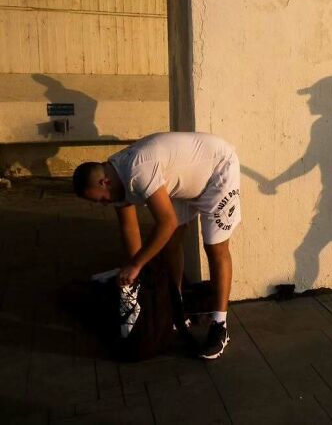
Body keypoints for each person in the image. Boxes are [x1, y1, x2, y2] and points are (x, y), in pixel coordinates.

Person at [72, 132, 241, 358]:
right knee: (171, 244)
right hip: (183, 181)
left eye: (100, 199)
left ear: (104, 182)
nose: (103, 204)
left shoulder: (137, 170)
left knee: (215, 247)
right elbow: (129, 229)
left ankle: (220, 326)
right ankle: (176, 306)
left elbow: (167, 222)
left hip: (217, 169)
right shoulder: (115, 180)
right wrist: (135, 275)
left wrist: (137, 264)